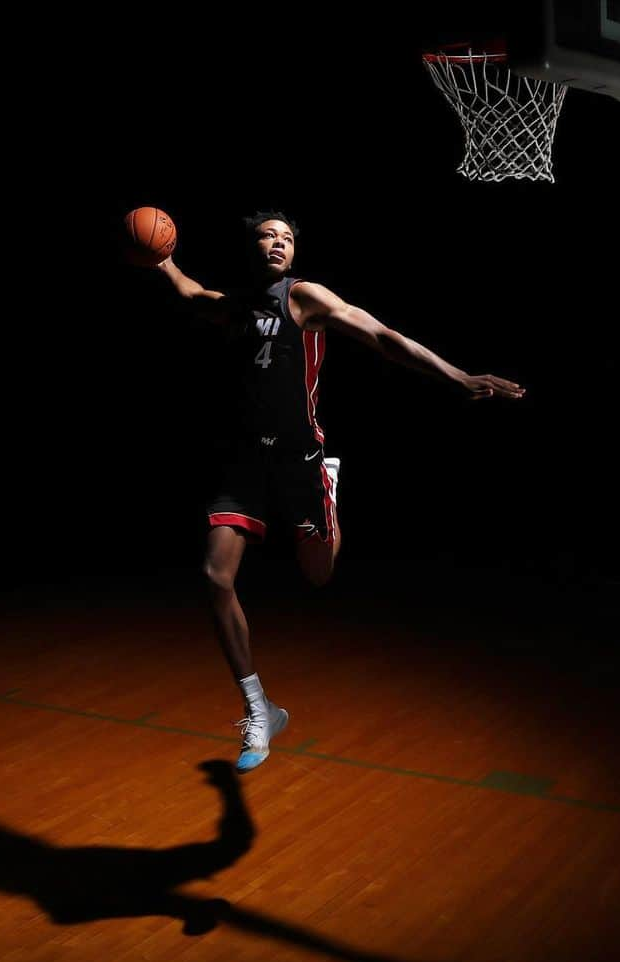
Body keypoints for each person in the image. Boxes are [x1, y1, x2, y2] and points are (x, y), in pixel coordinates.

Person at [150, 209, 524, 772]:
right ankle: (259, 707)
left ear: (294, 251)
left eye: (286, 237)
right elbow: (188, 293)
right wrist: (162, 259)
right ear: (249, 248)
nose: (277, 243)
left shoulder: (304, 297)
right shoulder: (234, 307)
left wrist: (458, 377)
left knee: (318, 575)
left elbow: (381, 335)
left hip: (299, 461)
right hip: (244, 462)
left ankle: (329, 480)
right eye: (266, 236)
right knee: (214, 576)